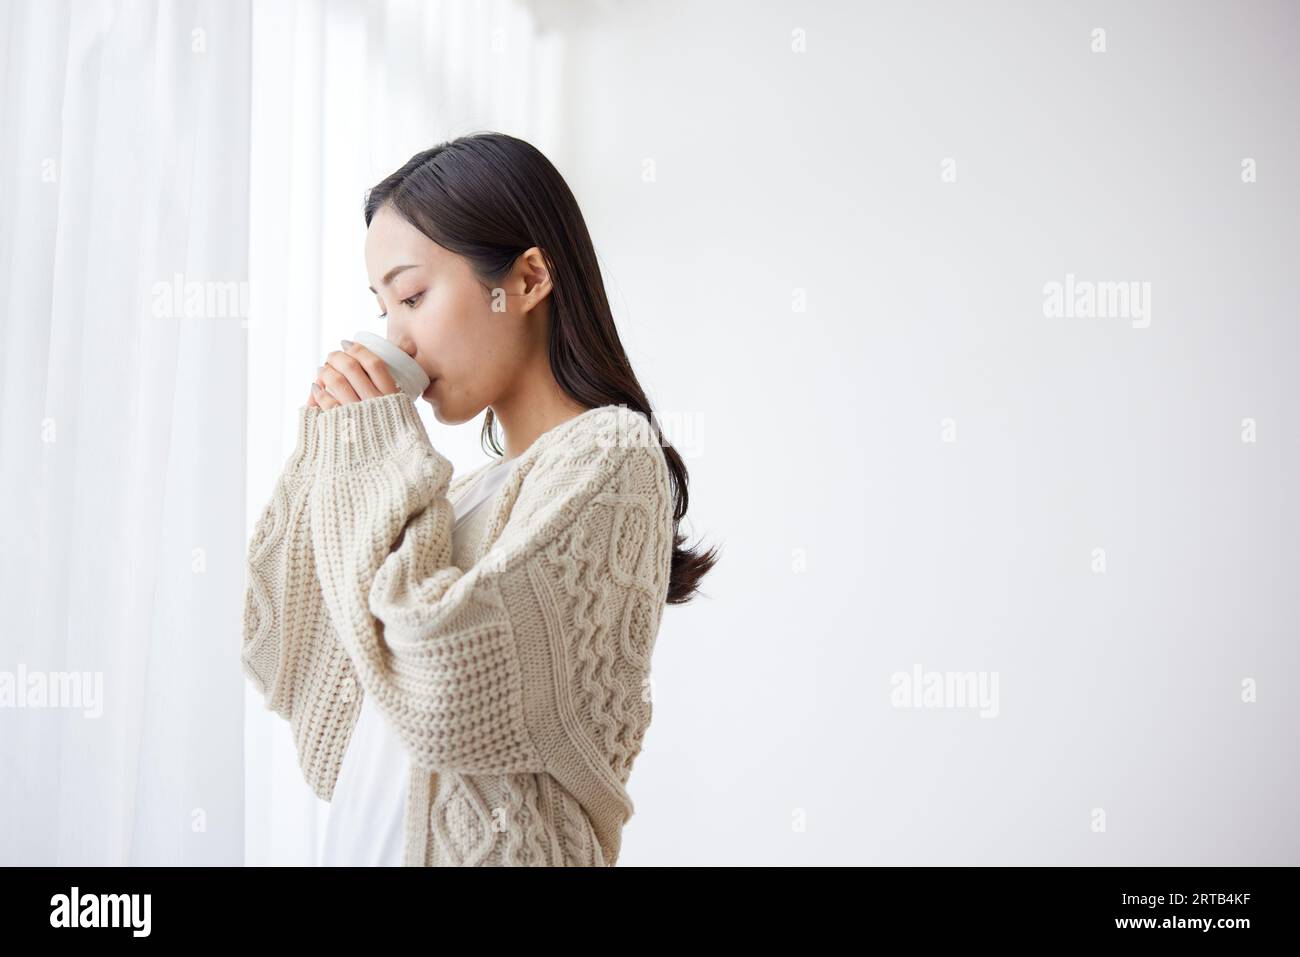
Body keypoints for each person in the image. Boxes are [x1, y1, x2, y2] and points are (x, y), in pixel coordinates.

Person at [241, 131, 718, 866]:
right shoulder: (460, 497)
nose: (395, 335)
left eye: (411, 295)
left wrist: (378, 465)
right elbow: (287, 640)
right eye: (382, 310)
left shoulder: (612, 456)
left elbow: (447, 688)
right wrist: (330, 456)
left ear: (527, 280)